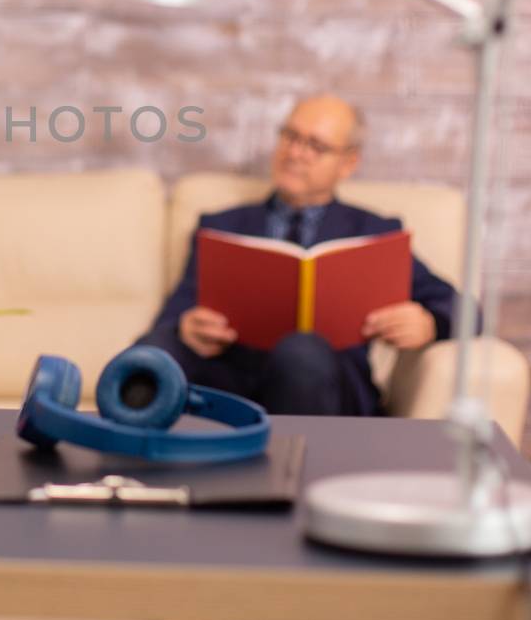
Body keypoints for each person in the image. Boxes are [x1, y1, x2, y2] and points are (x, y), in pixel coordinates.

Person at [138, 95, 457, 417]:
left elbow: (461, 307)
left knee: (300, 350)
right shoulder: (222, 226)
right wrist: (186, 327)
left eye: (315, 146)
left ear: (348, 163)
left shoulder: (375, 233)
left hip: (326, 386)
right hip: (232, 382)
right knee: (154, 350)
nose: (294, 153)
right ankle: (126, 456)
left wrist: (431, 322)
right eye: (290, 137)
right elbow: (172, 315)